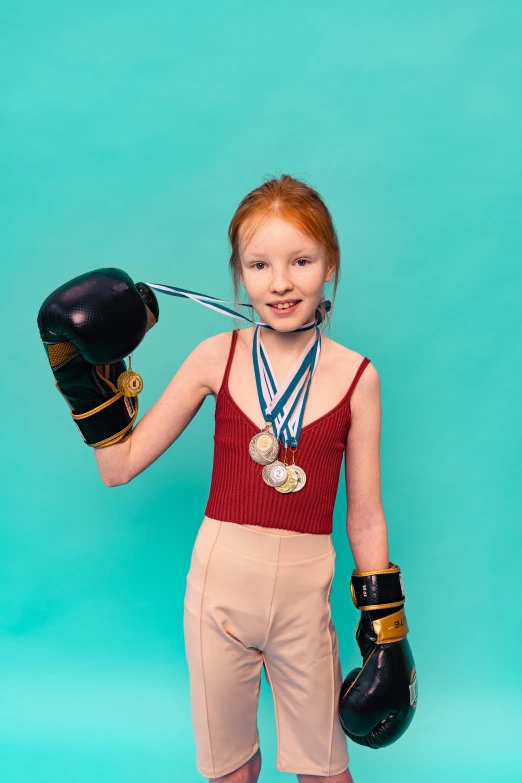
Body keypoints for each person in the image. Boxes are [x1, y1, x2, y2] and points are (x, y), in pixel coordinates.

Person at [38, 175, 416, 783]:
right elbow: (120, 467)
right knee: (229, 770)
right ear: (239, 274)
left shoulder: (358, 377)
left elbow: (365, 513)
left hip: (304, 590)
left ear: (331, 266)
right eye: (260, 264)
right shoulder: (217, 355)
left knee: (324, 770)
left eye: (301, 260)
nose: (281, 281)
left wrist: (387, 629)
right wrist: (82, 381)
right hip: (218, 586)